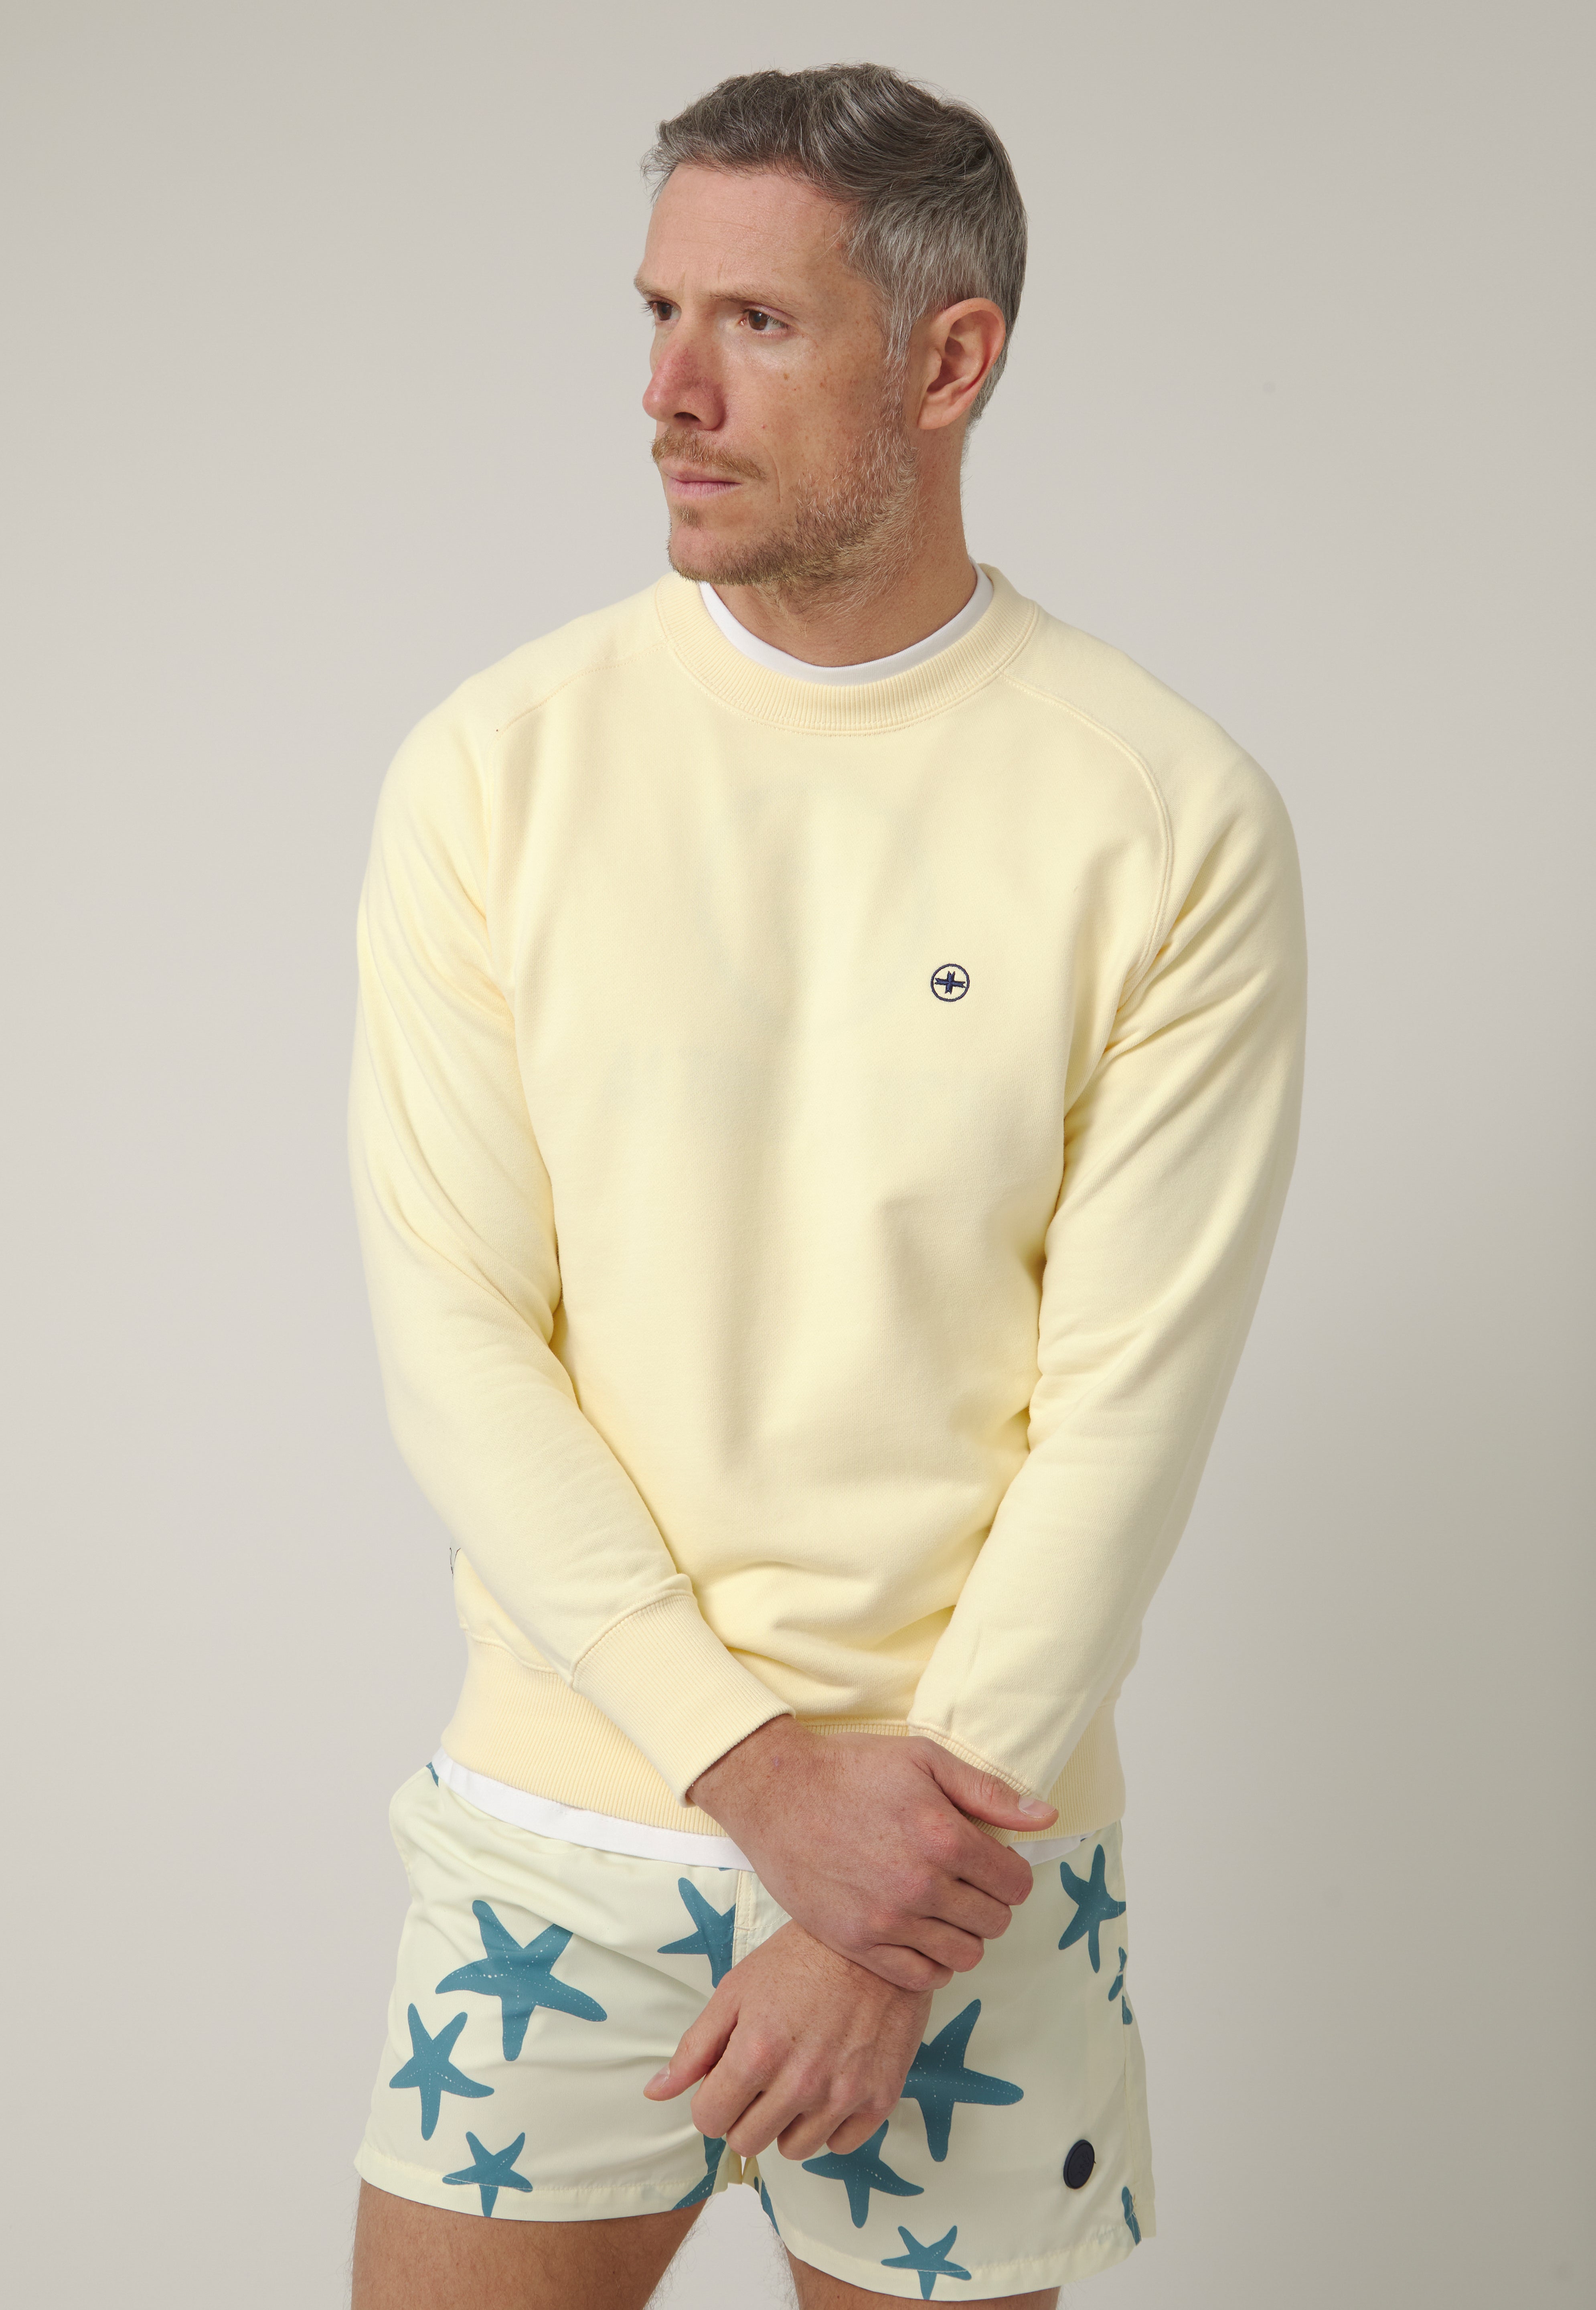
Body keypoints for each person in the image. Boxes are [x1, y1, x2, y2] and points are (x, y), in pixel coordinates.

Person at [345, 61, 1306, 2310]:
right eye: (659, 312)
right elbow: (458, 1333)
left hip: (972, 1857)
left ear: (949, 363)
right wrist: (761, 1780)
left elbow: (1128, 1415)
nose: (668, 392)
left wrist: (886, 1908)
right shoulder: (498, 770)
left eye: (757, 325)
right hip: (569, 1833)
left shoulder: (1162, 812)